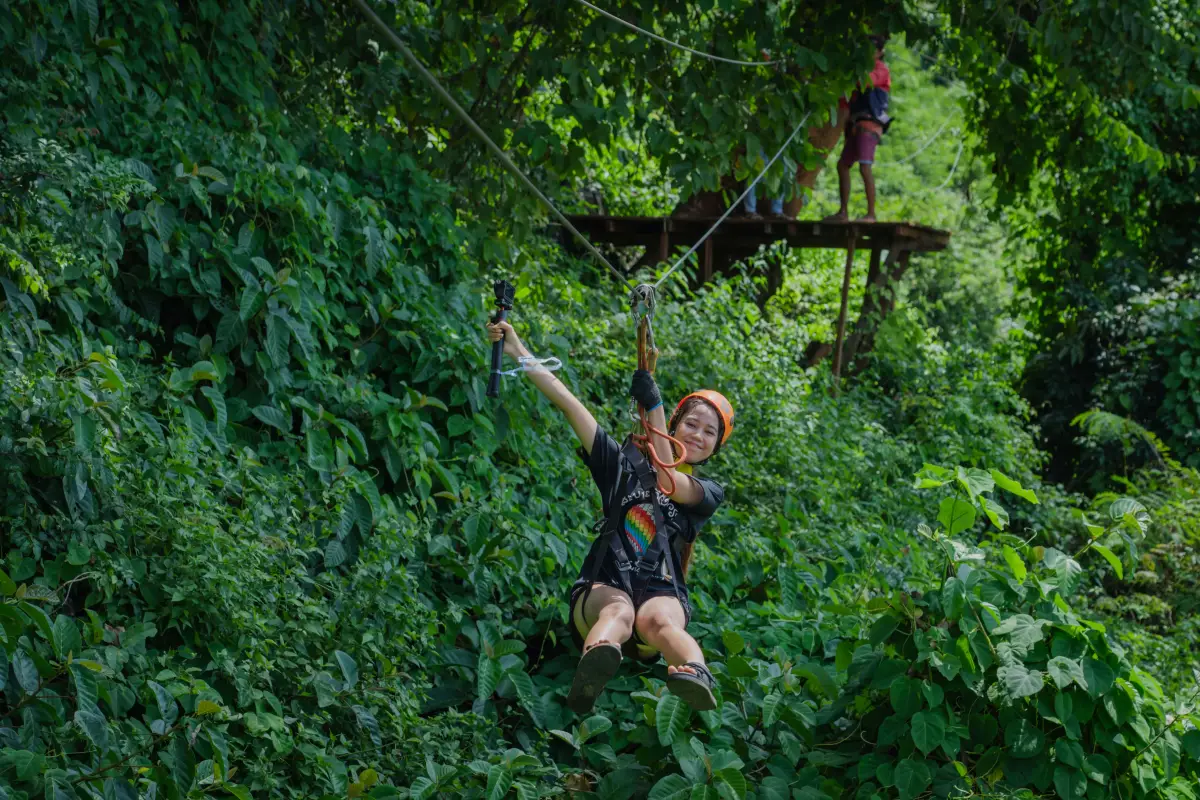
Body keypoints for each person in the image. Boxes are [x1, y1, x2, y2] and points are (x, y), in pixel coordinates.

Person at [485, 319, 734, 713]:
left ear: (715, 447)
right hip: (605, 588)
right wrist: (518, 351)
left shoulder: (706, 494)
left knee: (660, 621)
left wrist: (654, 406)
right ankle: (598, 656)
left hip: (660, 592)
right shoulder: (622, 466)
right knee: (619, 611)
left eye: (709, 432)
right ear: (675, 425)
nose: (697, 435)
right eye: (691, 424)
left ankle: (695, 672)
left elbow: (669, 482)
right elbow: (570, 404)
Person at [826, 36, 892, 223]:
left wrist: (850, 72)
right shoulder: (858, 72)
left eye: (870, 49)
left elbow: (867, 81)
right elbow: (846, 99)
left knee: (865, 166)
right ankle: (843, 212)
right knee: (842, 165)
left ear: (879, 52)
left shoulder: (880, 69)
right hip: (856, 126)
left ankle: (871, 214)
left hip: (869, 125)